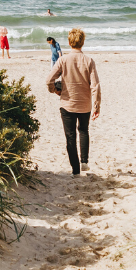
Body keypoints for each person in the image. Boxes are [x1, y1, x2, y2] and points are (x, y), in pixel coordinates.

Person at [46, 28, 100, 175]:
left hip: (67, 104)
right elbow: (95, 85)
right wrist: (96, 105)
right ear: (82, 42)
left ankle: (75, 170)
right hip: (85, 104)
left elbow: (48, 80)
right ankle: (84, 161)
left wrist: (55, 90)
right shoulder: (89, 61)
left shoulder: (63, 60)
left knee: (70, 137)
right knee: (83, 130)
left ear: (69, 43)